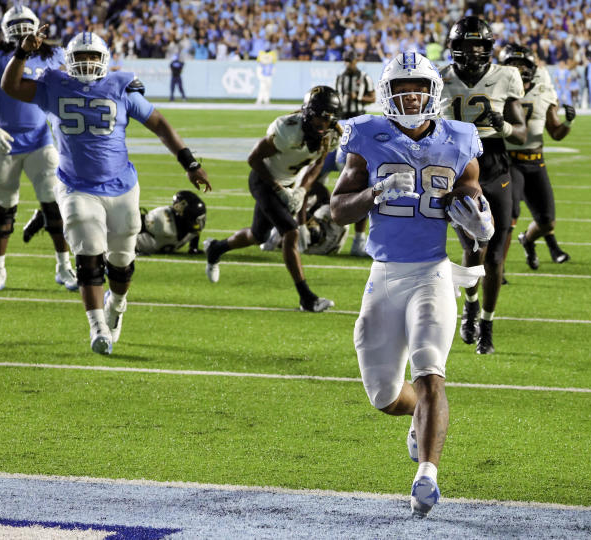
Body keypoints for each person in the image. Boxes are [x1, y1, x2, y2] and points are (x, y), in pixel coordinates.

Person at [329, 51, 490, 518]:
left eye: (418, 87)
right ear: (387, 94)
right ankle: (421, 416)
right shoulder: (366, 136)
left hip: (431, 273)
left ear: (433, 91)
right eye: (401, 89)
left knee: (430, 371)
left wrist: (481, 231)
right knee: (384, 395)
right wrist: (373, 193)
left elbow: (474, 206)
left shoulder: (460, 139)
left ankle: (427, 476)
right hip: (383, 275)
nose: (411, 95)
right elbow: (338, 209)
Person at [1, 28, 211, 354]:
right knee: (88, 254)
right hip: (75, 186)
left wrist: (189, 162)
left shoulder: (120, 86)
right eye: (80, 57)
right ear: (68, 61)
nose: (86, 63)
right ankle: (96, 326)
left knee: (122, 262)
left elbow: (158, 122)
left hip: (122, 187)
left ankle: (118, 305)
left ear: (105, 60)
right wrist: (22, 52)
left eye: (92, 57)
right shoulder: (54, 85)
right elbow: (10, 86)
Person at [203, 86, 340, 312]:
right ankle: (307, 298)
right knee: (291, 232)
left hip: (288, 184)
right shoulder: (288, 130)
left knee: (258, 236)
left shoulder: (330, 135)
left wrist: (302, 190)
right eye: (318, 115)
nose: (322, 122)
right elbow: (253, 159)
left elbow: (317, 164)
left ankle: (217, 248)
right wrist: (279, 189)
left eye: (328, 117)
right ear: (308, 112)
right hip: (263, 180)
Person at [440, 17, 528, 355]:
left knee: (495, 256)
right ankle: (471, 305)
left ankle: (487, 324)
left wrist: (502, 125)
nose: (474, 51)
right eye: (467, 45)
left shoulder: (506, 75)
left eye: (480, 45)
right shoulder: (442, 78)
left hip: (494, 166)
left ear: (489, 48)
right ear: (455, 47)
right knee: (472, 247)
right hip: (460, 167)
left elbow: (521, 133)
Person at [0, 5, 77, 292]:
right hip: (3, 142)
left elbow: (64, 92)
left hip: (39, 139)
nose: (20, 31)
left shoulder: (53, 54)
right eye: (15, 25)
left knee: (54, 204)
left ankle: (63, 266)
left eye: (25, 25)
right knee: (2, 209)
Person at [501, 45, 574, 273]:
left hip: (535, 160)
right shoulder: (497, 88)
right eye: (514, 64)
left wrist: (569, 122)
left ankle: (528, 240)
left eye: (523, 66)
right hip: (509, 160)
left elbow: (556, 132)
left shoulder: (543, 87)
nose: (519, 70)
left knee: (546, 221)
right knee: (509, 216)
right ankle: (497, 267)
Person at [334, 50, 376, 256]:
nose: (348, 63)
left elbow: (372, 97)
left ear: (356, 60)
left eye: (350, 60)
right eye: (345, 60)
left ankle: (359, 240)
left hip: (358, 124)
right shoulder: (340, 78)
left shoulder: (364, 77)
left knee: (358, 178)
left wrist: (358, 98)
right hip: (341, 124)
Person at [136, 190, 206, 255]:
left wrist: (193, 247)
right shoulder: (161, 218)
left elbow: (195, 231)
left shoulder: (190, 228)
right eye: (192, 216)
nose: (197, 223)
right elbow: (134, 223)